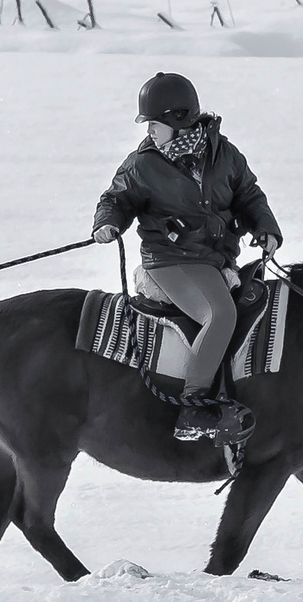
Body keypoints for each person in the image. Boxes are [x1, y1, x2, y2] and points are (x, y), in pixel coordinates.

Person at [93, 72, 283, 442]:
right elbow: (115, 198)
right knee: (221, 313)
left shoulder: (224, 154)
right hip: (170, 259)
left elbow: (249, 195)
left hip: (215, 258)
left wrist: (266, 228)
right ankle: (193, 407)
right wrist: (107, 223)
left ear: (179, 122)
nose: (149, 131)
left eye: (154, 123)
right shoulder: (142, 163)